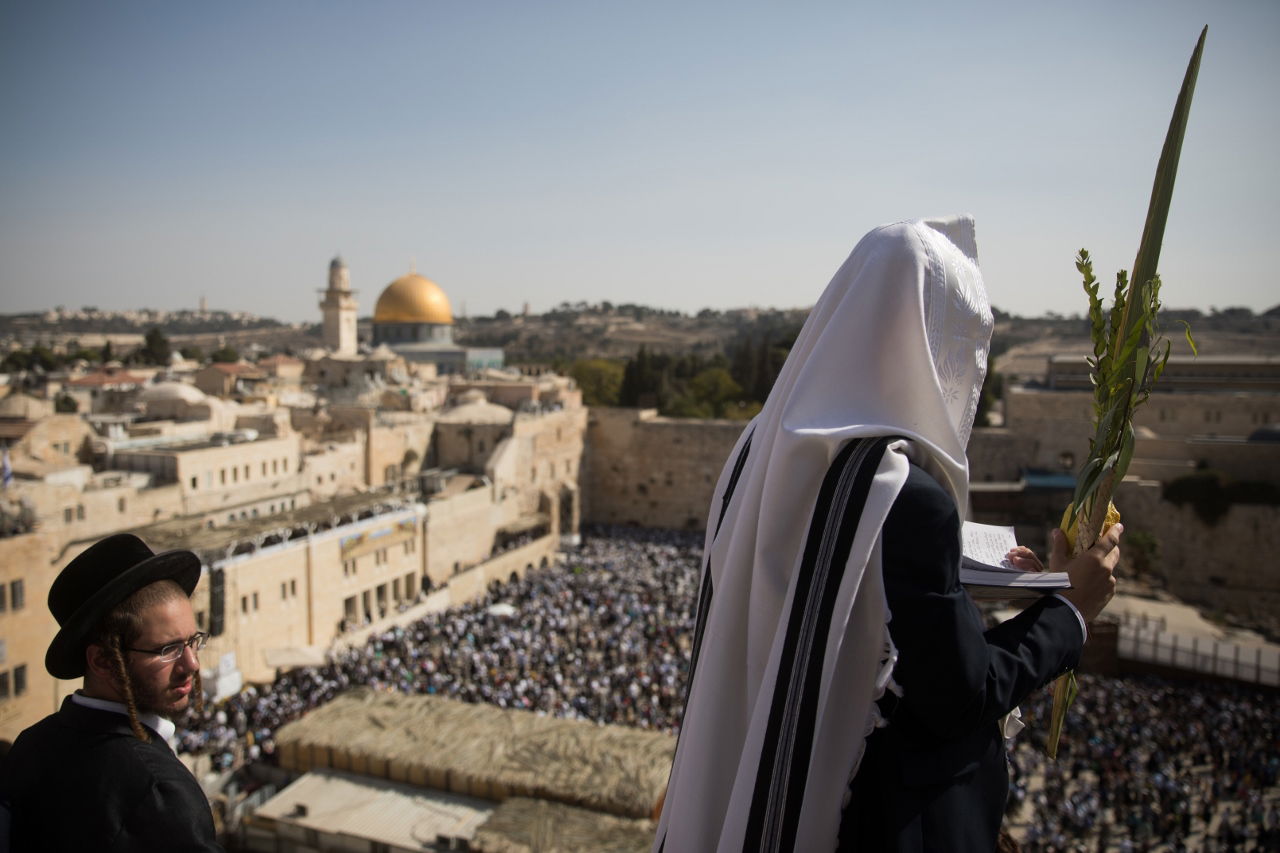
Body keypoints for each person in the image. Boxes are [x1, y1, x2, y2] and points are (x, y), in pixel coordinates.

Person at [654, 216, 1120, 852]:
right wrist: (1071, 612)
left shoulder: (757, 452)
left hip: (750, 764)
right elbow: (958, 695)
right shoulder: (904, 493)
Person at [0, 533, 223, 851]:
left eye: (193, 642)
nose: (192, 663)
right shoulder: (156, 791)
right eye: (168, 650)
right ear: (103, 661)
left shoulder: (30, 744)